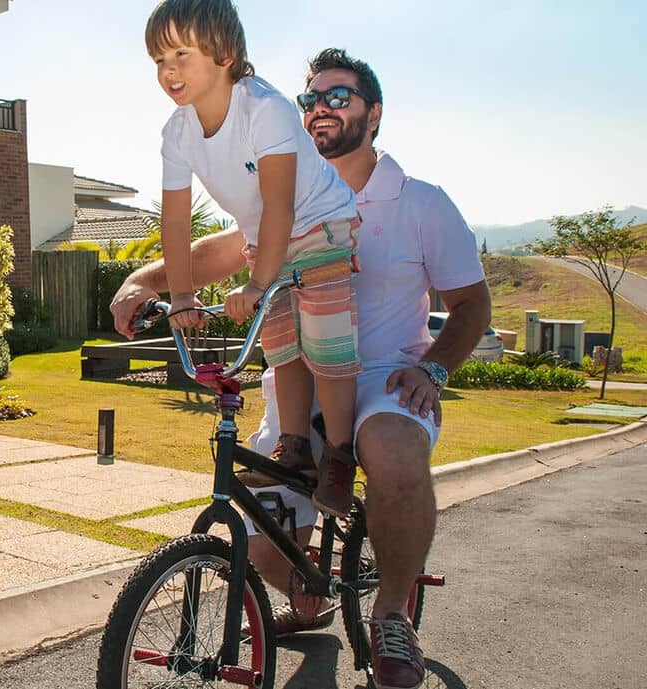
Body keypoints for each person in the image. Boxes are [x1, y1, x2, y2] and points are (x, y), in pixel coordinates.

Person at [111, 47, 492, 689]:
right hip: (297, 388)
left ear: (374, 113)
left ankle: (391, 613)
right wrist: (142, 280)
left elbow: (472, 305)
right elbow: (213, 253)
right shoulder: (280, 193)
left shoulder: (421, 202)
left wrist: (433, 370)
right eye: (310, 99)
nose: (320, 109)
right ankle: (309, 595)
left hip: (387, 379)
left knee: (393, 450)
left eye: (338, 97)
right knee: (261, 540)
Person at [145, 0, 364, 519]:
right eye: (158, 60)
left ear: (224, 55)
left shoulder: (264, 108)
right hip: (266, 238)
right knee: (282, 346)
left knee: (326, 344)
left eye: (180, 54)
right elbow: (175, 222)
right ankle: (294, 444)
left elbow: (281, 204)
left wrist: (258, 283)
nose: (168, 70)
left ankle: (338, 454)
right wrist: (182, 295)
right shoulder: (177, 133)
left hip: (319, 224)